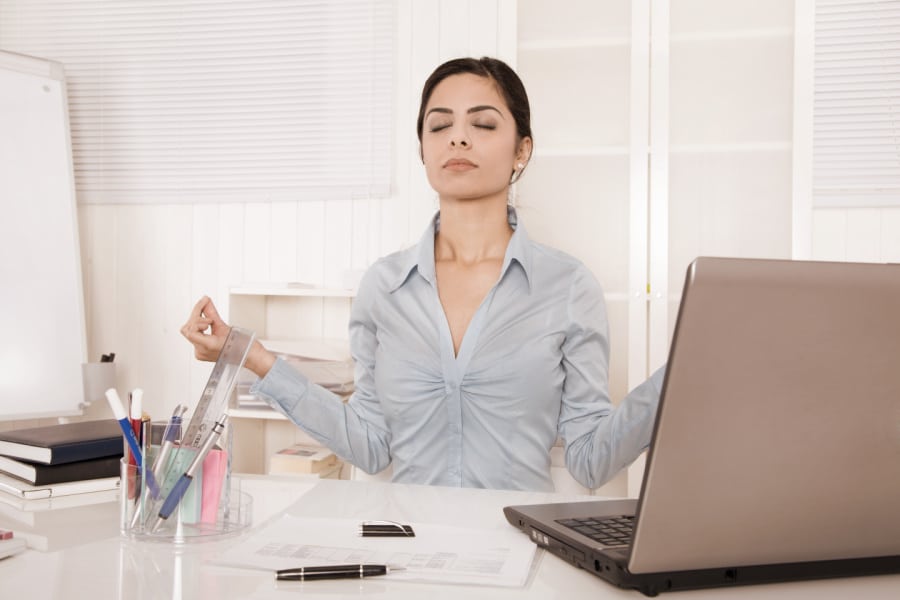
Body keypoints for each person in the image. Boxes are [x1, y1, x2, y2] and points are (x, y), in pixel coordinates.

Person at [182, 56, 664, 492]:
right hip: (405, 555)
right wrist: (254, 357)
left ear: (522, 150)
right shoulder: (383, 286)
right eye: (439, 126)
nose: (458, 137)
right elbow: (370, 446)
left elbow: (590, 459)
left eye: (483, 123)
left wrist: (681, 376)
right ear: (422, 150)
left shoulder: (568, 287)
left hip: (520, 557)